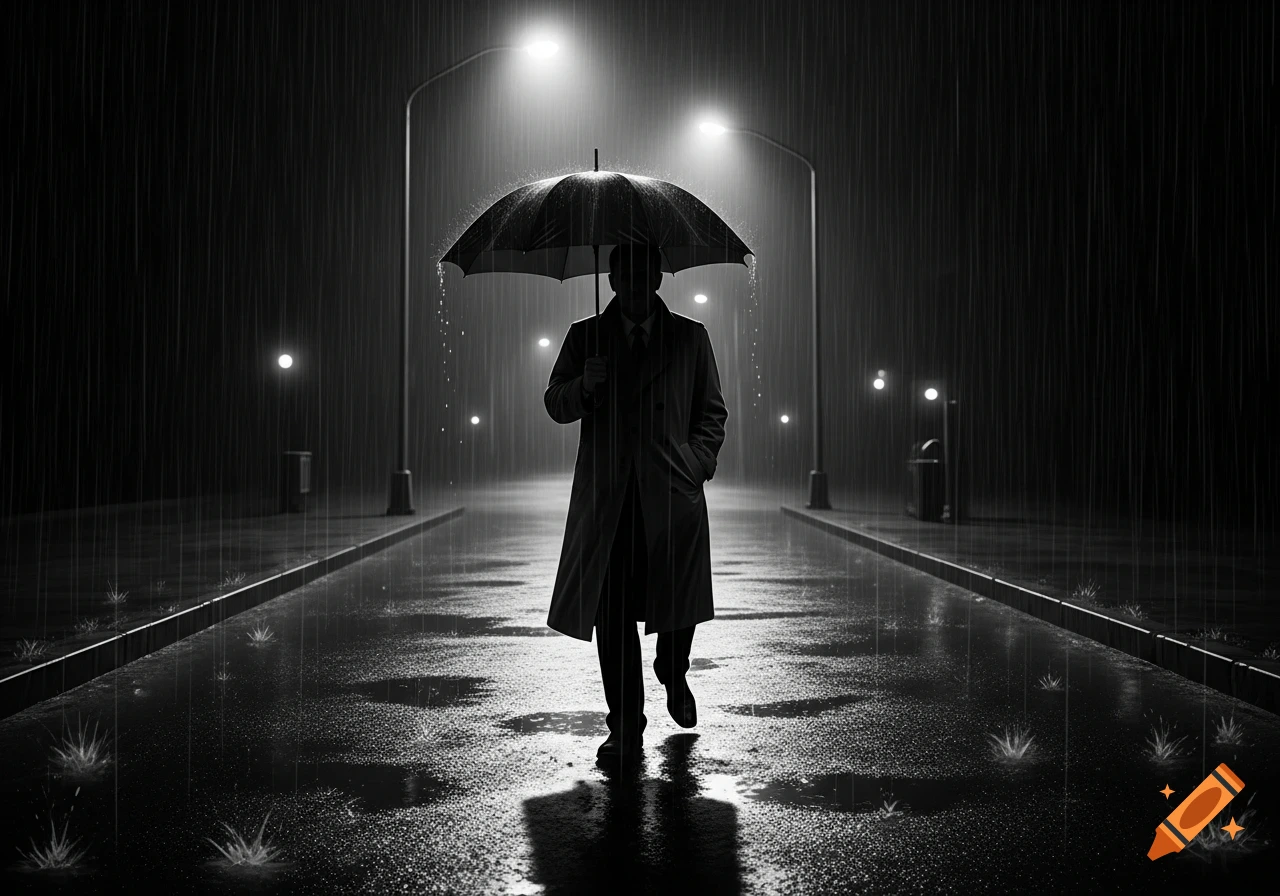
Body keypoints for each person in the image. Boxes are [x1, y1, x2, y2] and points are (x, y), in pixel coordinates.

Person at [544, 243, 728, 765]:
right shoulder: (586, 337)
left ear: (658, 275)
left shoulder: (691, 337)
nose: (635, 277)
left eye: (645, 267)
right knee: (615, 614)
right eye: (624, 268)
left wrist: (695, 464)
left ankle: (673, 669)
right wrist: (585, 385)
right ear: (613, 274)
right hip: (610, 501)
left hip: (671, 494)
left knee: (677, 607)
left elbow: (711, 412)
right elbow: (554, 401)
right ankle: (625, 724)